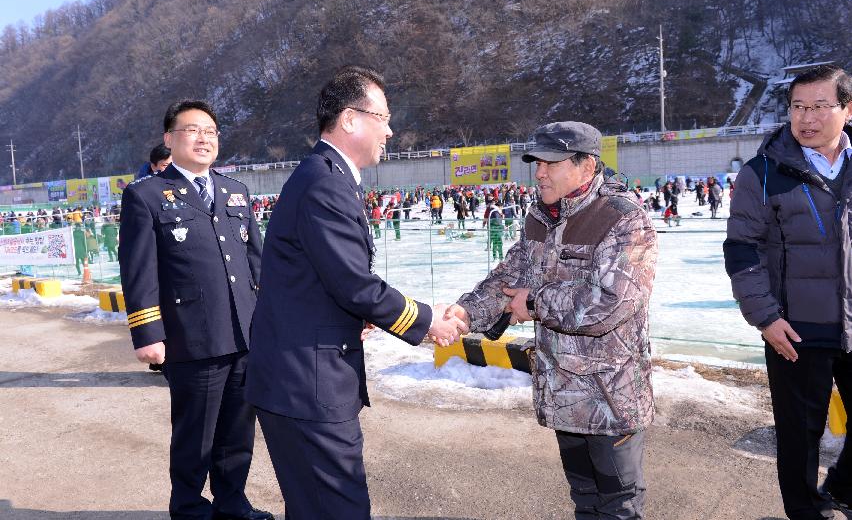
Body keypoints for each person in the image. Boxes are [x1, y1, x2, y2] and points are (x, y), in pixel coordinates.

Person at [245, 65, 466, 520]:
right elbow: (352, 283)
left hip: (298, 377)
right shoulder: (326, 181)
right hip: (309, 384)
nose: (390, 129)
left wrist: (358, 314)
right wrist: (427, 321)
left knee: (313, 507)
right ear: (349, 119)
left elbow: (319, 279)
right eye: (382, 117)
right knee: (339, 508)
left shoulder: (323, 175)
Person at [446, 121, 658, 519]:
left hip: (610, 396)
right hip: (562, 393)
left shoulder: (623, 219)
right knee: (584, 500)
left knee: (619, 505)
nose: (540, 172)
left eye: (552, 163)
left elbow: (612, 301)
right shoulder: (541, 216)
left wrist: (537, 303)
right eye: (537, 162)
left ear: (587, 165)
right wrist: (464, 313)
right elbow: (510, 278)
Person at [118, 100, 272, 520]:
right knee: (195, 434)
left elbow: (258, 263)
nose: (204, 138)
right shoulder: (145, 195)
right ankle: (187, 507)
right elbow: (138, 271)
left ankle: (232, 502)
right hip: (192, 337)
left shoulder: (234, 190)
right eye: (192, 130)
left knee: (238, 433)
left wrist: (272, 322)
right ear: (169, 138)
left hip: (244, 333)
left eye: (211, 132)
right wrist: (148, 333)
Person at [724, 64, 852, 520]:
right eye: (799, 106)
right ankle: (806, 512)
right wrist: (766, 317)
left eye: (820, 106)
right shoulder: (762, 172)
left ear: (847, 108)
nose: (807, 117)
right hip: (795, 328)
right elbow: (742, 250)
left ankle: (842, 488)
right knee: (800, 438)